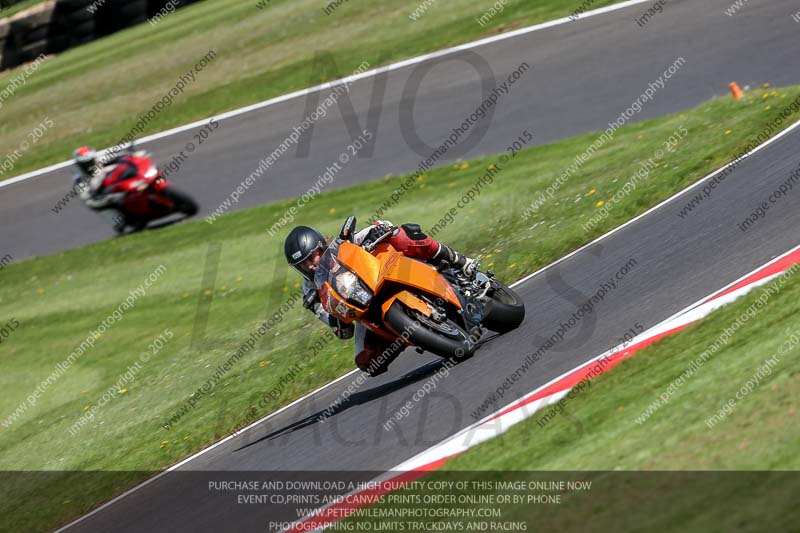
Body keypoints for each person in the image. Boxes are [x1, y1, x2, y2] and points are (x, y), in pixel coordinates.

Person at [284, 221, 478, 376]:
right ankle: (403, 332)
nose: (310, 266)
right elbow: (343, 332)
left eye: (312, 258)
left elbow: (379, 225)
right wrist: (335, 319)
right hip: (362, 307)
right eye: (302, 265)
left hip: (381, 273)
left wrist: (380, 230)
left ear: (321, 246)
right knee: (367, 362)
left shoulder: (342, 245)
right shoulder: (310, 292)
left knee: (403, 234)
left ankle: (458, 262)